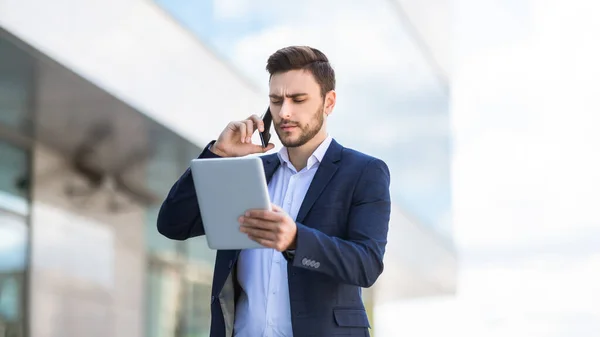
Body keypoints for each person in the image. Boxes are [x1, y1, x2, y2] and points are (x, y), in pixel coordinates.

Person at [157, 45, 391, 337]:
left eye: (298, 99)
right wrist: (218, 153)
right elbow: (172, 225)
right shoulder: (248, 175)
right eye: (276, 101)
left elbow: (366, 264)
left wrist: (296, 240)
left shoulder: (363, 172)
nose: (285, 112)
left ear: (328, 102)